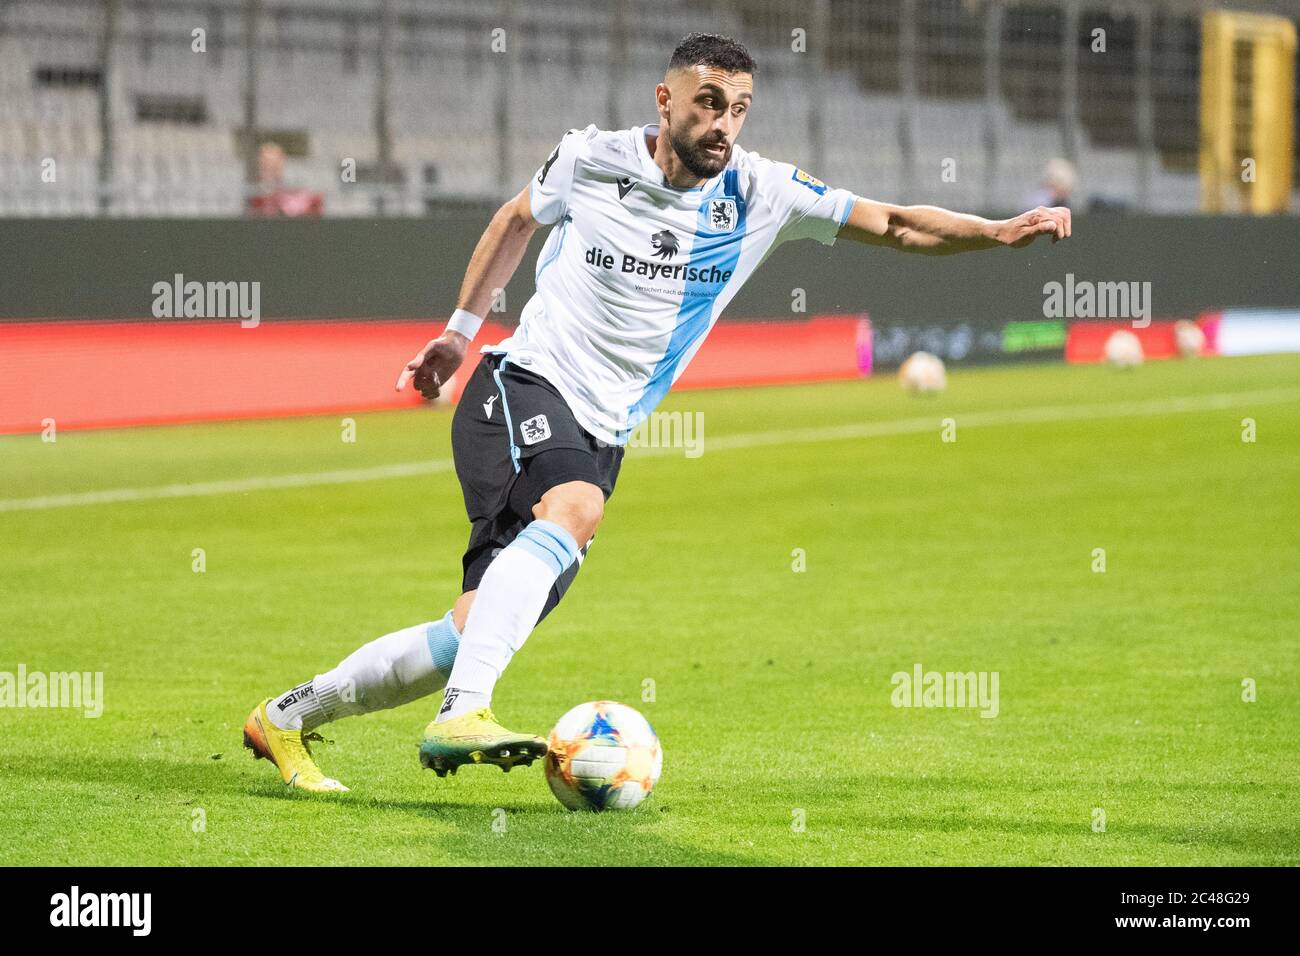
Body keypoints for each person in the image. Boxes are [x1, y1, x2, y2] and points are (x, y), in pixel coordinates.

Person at [242, 32, 1070, 792]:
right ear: (665, 99)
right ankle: (464, 712)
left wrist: (994, 232)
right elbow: (514, 220)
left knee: (468, 626)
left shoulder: (762, 192)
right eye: (709, 102)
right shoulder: (590, 159)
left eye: (739, 108)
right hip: (520, 384)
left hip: (602, 432)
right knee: (572, 509)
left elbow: (892, 222)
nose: (724, 124)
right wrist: (460, 333)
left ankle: (285, 719)